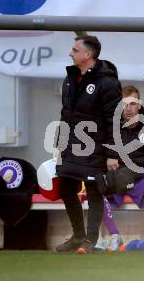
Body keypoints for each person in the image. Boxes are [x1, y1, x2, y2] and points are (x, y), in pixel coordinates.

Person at [54, 35, 122, 254]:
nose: (70, 53)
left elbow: (114, 119)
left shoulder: (108, 82)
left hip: (96, 147)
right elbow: (66, 115)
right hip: (70, 146)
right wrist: (59, 144)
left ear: (88, 55)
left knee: (94, 192)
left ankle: (90, 241)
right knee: (66, 189)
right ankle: (78, 236)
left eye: (74, 50)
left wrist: (112, 153)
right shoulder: (70, 77)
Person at [100, 85, 144, 251]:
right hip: (117, 177)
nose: (128, 109)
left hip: (141, 177)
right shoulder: (109, 126)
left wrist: (142, 172)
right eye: (124, 104)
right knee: (94, 185)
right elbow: (97, 154)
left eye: (132, 104)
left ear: (139, 104)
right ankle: (114, 236)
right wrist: (107, 163)